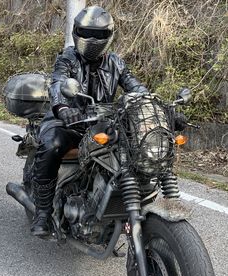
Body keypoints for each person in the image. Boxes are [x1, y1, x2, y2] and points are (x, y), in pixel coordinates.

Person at [31, 5, 186, 237]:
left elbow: (137, 89)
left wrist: (162, 110)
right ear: (76, 32)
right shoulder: (67, 58)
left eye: (100, 34)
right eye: (86, 33)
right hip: (68, 122)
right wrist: (63, 107)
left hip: (101, 123)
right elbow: (58, 83)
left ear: (110, 35)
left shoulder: (116, 62)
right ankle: (43, 213)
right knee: (52, 145)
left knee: (135, 150)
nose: (92, 39)